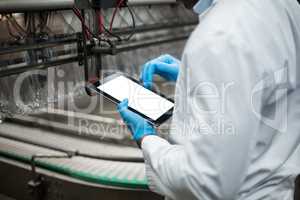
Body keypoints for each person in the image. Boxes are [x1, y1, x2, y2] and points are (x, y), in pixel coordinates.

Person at [117, 0, 300, 199]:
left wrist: (147, 139)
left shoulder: (220, 34)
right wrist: (197, 78)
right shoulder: (284, 5)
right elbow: (267, 85)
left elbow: (205, 182)